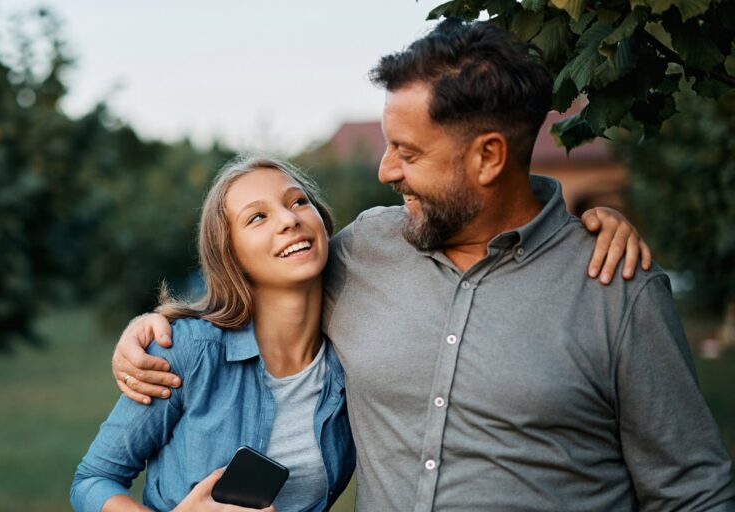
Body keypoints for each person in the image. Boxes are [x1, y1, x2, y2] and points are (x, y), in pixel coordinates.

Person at [111, 19, 735, 512]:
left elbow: (692, 490)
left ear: (489, 157)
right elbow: (255, 284)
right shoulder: (360, 252)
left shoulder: (613, 289)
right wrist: (150, 326)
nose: (385, 170)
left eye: (407, 151)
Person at [71, 158, 355, 512]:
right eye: (257, 217)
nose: (289, 219)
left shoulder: (353, 362)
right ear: (230, 255)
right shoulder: (187, 350)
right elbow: (92, 481)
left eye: (298, 201)